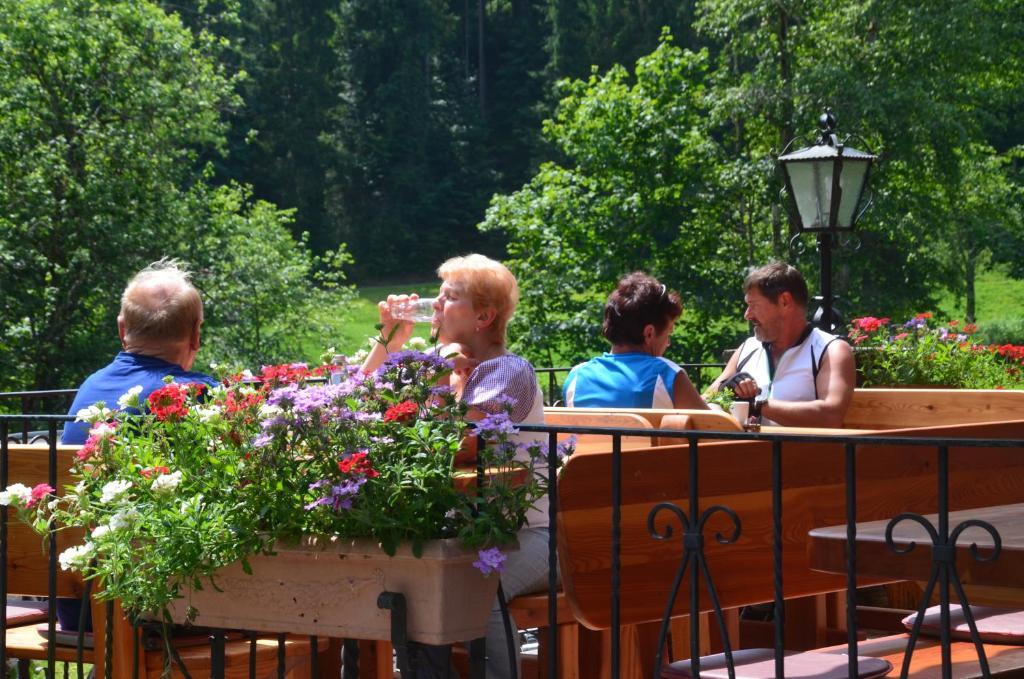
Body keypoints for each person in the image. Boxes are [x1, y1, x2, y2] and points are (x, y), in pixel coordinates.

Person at [361, 254, 547, 679]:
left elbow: (456, 447)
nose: (437, 304)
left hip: (526, 533)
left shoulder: (510, 371)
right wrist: (389, 339)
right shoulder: (435, 361)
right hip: (457, 530)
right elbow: (356, 400)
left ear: (484, 315)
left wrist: (439, 376)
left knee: (478, 583)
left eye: (451, 296)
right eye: (439, 295)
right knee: (411, 585)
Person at [58, 259, 219, 631]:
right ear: (195, 334)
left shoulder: (90, 389)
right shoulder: (195, 394)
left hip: (80, 609)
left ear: (122, 329)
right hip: (155, 610)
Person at [707, 262, 855, 428]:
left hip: (803, 454)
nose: (747, 315)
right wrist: (726, 389)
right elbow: (706, 403)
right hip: (746, 452)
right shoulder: (748, 347)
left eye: (753, 305)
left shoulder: (831, 350)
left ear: (784, 301)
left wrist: (758, 404)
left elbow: (830, 416)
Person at [561, 272, 708, 410]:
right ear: (649, 333)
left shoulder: (576, 376)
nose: (668, 343)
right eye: (668, 334)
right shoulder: (667, 375)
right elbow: (715, 431)